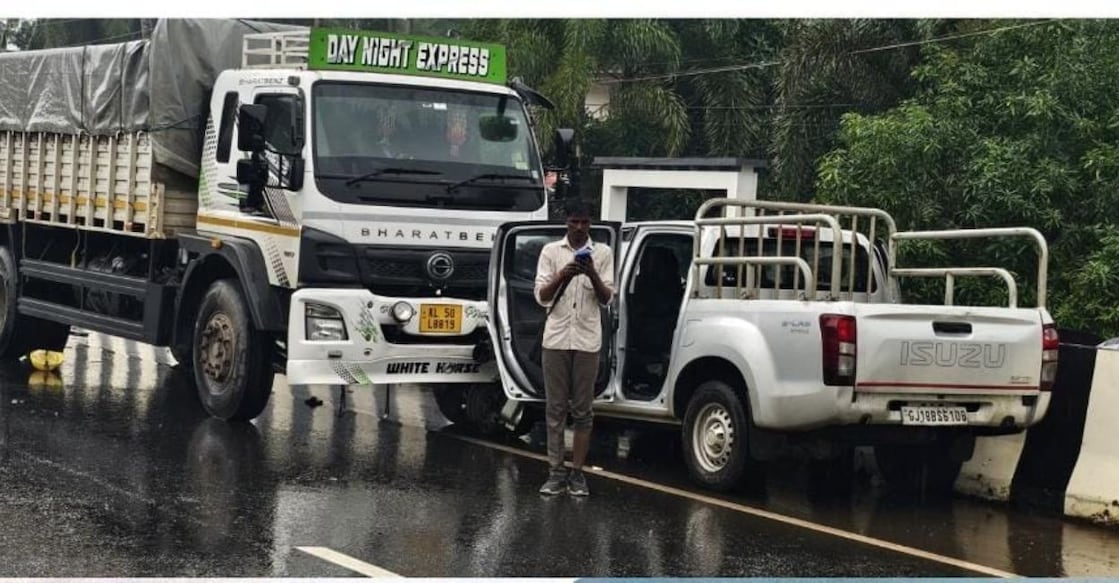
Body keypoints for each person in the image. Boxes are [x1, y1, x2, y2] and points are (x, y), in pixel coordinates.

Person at [533, 198, 615, 496]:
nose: (579, 227)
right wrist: (563, 274)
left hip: (586, 342)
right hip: (555, 340)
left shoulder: (603, 253)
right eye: (574, 222)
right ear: (565, 223)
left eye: (584, 222)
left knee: (583, 410)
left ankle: (577, 474)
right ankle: (555, 472)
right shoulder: (550, 252)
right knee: (555, 409)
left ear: (590, 223)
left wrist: (591, 271)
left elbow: (607, 298)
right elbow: (541, 296)